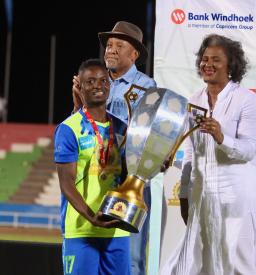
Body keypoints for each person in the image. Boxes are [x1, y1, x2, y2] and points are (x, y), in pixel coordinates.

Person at [165, 34, 256, 275]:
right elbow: (192, 153)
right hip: (203, 197)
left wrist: (221, 136)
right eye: (204, 59)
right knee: (202, 263)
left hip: (239, 197)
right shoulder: (194, 101)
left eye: (216, 60)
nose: (208, 64)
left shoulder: (247, 101)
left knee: (241, 263)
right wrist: (185, 195)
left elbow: (248, 150)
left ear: (231, 66)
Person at [72, 21, 157, 275]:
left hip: (128, 182)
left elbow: (149, 135)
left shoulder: (146, 86)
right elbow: (80, 127)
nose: (110, 50)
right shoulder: (94, 83)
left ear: (135, 54)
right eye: (109, 45)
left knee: (131, 258)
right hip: (94, 180)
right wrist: (78, 103)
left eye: (119, 45)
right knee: (93, 252)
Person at [55, 58, 130, 275]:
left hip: (117, 230)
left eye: (103, 81)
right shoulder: (69, 128)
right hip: (81, 229)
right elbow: (66, 183)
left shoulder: (123, 128)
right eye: (90, 82)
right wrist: (91, 216)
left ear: (110, 85)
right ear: (80, 86)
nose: (98, 85)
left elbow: (129, 174)